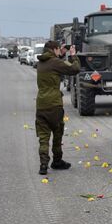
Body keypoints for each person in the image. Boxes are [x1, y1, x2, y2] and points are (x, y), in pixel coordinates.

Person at [34, 39, 79, 176]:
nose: (60, 51)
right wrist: (73, 55)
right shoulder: (55, 63)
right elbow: (74, 69)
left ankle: (43, 165)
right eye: (59, 49)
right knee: (57, 133)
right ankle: (57, 161)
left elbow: (54, 63)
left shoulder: (40, 63)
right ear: (54, 49)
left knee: (43, 136)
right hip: (54, 105)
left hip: (41, 105)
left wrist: (60, 54)